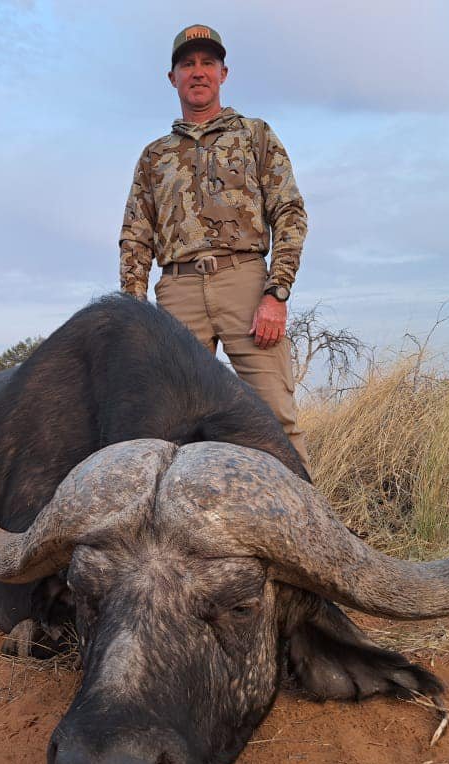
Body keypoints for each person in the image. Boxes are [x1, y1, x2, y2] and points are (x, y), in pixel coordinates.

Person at [119, 24, 310, 464]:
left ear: (224, 73)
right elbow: (135, 236)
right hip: (177, 293)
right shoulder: (154, 156)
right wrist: (133, 316)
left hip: (244, 286)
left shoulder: (255, 135)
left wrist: (276, 292)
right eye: (188, 64)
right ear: (173, 78)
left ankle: (311, 526)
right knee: (168, 428)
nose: (198, 72)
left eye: (208, 63)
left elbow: (290, 213)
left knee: (275, 419)